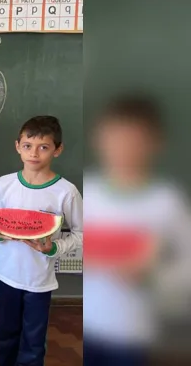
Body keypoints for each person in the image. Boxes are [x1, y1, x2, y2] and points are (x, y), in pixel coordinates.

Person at [83, 95, 191, 366]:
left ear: (156, 144)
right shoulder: (89, 191)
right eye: (116, 139)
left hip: (133, 330)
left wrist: (151, 275)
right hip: (87, 324)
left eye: (135, 141)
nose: (124, 149)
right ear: (99, 139)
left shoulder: (167, 200)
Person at [0, 115, 83, 366]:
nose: (34, 153)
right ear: (18, 146)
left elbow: (82, 233)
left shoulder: (66, 191)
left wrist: (54, 248)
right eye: (28, 146)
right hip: (6, 274)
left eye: (44, 147)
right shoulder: (4, 184)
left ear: (58, 150)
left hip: (39, 281)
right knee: (6, 336)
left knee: (33, 341)